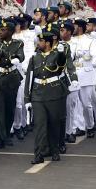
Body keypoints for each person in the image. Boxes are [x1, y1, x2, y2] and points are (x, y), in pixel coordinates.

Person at [24, 29, 68, 164]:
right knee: (39, 125)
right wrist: (27, 98)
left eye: (42, 41)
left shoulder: (56, 55)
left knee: (54, 124)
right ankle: (39, 154)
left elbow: (61, 64)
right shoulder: (34, 58)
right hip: (38, 95)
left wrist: (61, 52)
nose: (39, 43)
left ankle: (54, 150)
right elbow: (29, 79)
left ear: (48, 43)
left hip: (53, 94)